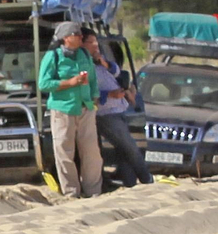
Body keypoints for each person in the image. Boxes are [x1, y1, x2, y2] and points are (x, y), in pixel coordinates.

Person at [82, 29, 152, 189]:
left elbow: (117, 71)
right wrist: (110, 94)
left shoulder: (98, 61)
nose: (95, 45)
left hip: (119, 109)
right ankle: (147, 178)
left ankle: (130, 183)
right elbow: (88, 91)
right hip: (105, 112)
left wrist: (104, 62)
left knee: (123, 150)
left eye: (96, 42)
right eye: (91, 42)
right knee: (130, 147)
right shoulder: (83, 64)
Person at [38, 21, 101, 197]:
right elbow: (43, 83)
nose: (81, 37)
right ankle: (71, 191)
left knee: (91, 153)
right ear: (66, 38)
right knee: (65, 151)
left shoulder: (84, 55)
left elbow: (93, 78)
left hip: (85, 108)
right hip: (63, 110)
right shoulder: (53, 57)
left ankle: (93, 191)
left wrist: (95, 98)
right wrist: (69, 83)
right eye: (77, 35)